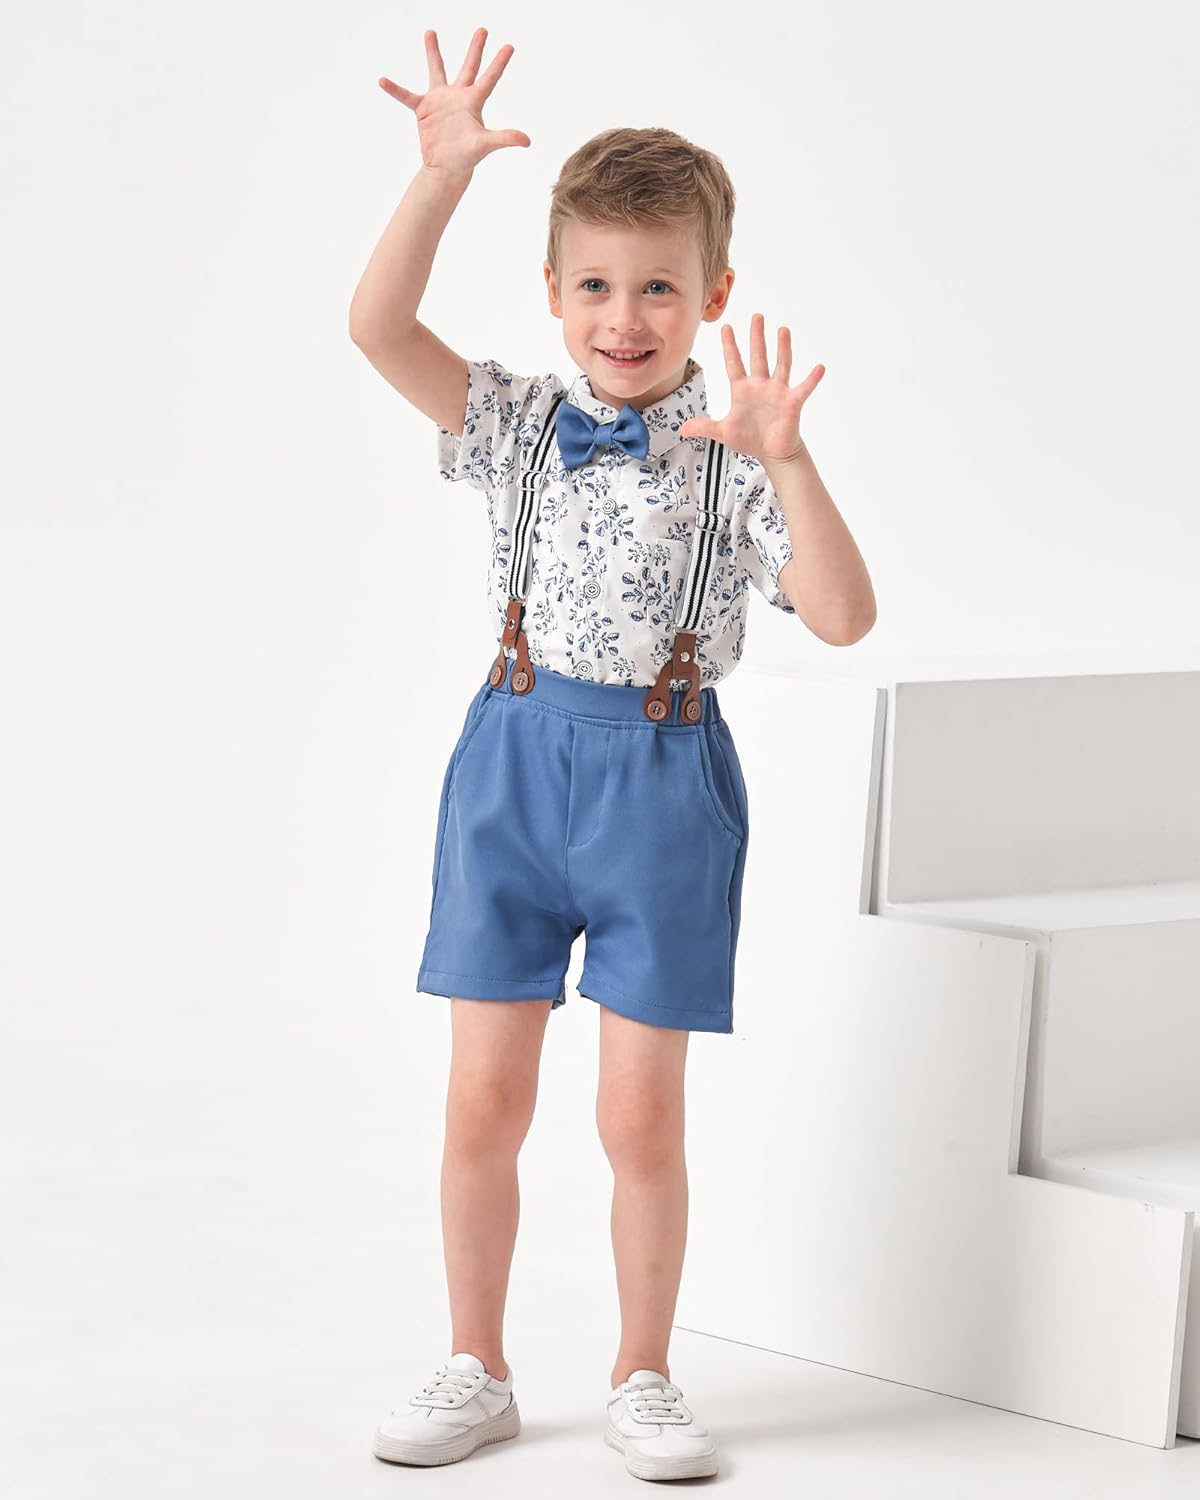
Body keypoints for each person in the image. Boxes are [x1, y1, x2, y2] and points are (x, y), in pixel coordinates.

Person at [349, 24, 876, 1482]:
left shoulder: (736, 463)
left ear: (714, 294)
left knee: (639, 1114)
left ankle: (645, 1372)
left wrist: (788, 458)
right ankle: (477, 1362)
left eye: (658, 286)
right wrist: (441, 177)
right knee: (482, 1098)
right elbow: (379, 329)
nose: (625, 316)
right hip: (514, 769)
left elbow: (843, 615)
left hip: (661, 783)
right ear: (552, 290)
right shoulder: (514, 423)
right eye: (595, 284)